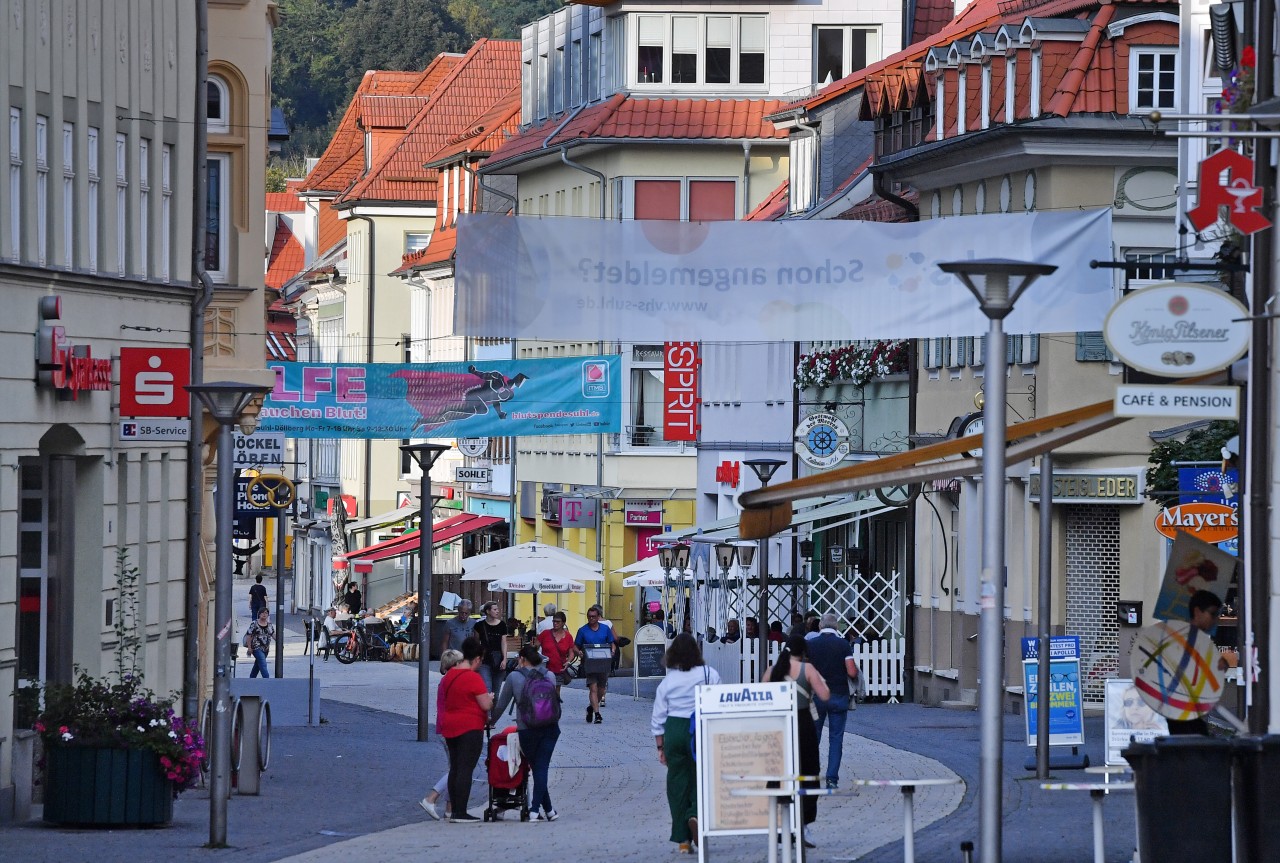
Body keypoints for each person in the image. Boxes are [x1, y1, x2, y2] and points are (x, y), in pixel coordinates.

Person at [652, 633, 721, 854]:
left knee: (677, 783)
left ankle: (682, 838)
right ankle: (696, 814)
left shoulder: (668, 681)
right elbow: (719, 703)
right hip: (699, 727)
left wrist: (660, 747)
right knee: (701, 778)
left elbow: (658, 716)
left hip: (674, 730)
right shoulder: (710, 674)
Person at [766, 635, 830, 834]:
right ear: (803, 652)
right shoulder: (807, 669)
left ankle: (780, 821)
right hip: (802, 723)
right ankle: (804, 822)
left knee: (780, 770)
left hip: (779, 724)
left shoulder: (772, 671)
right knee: (808, 770)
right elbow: (825, 695)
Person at [491, 644, 562, 821]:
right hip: (550, 727)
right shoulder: (550, 676)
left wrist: (490, 722)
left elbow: (501, 705)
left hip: (527, 729)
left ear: (522, 659)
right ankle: (550, 810)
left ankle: (534, 809)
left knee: (539, 768)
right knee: (541, 767)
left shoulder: (514, 677)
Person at [437, 637, 493, 823]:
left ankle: (454, 810)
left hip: (450, 725)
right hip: (469, 727)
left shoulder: (450, 675)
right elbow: (485, 705)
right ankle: (460, 811)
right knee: (465, 769)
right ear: (477, 658)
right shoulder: (473, 678)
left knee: (455, 768)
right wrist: (491, 698)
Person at [1167, 590, 1236, 735]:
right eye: (1212, 614)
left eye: (1217, 615)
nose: (1215, 620)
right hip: (1183, 710)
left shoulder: (1196, 638)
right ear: (1197, 612)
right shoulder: (1185, 637)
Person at [807, 612, 860, 789]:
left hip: (816, 697)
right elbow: (852, 672)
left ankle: (812, 776)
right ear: (836, 626)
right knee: (836, 739)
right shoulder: (843, 645)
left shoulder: (811, 644)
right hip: (838, 695)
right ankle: (832, 779)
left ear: (820, 626)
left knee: (813, 738)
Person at [420, 649, 465, 820]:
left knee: (453, 767)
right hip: (450, 728)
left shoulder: (446, 680)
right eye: (461, 662)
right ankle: (431, 797)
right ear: (454, 665)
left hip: (444, 727)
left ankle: (449, 807)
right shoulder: (451, 681)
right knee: (457, 769)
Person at [574, 604, 616, 723]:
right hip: (589, 663)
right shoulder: (582, 631)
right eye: (589, 617)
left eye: (593, 616)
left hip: (603, 662)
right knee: (593, 688)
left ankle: (591, 708)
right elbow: (575, 646)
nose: (591, 619)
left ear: (598, 617)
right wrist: (579, 653)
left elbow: (612, 642)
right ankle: (597, 714)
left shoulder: (605, 629)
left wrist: (613, 650)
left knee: (601, 690)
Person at [538, 611, 578, 695]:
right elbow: (535, 648)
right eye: (554, 621)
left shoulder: (568, 637)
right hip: (546, 668)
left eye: (558, 622)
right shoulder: (545, 634)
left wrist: (568, 662)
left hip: (559, 668)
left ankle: (554, 707)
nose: (555, 623)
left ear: (563, 623)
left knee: (556, 692)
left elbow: (571, 652)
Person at [473, 600, 510, 692]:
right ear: (488, 611)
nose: (497, 611)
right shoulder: (479, 625)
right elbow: (476, 643)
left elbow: (504, 642)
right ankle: (487, 706)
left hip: (499, 661)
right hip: (484, 661)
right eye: (495, 609)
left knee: (496, 692)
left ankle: (494, 707)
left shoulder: (502, 625)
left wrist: (505, 659)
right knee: (487, 689)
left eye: (497, 609)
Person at [244, 608, 274, 678]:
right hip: (256, 648)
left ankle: (252, 679)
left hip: (266, 648)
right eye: (262, 613)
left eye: (266, 613)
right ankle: (267, 680)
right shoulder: (254, 623)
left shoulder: (269, 624)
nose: (264, 614)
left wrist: (279, 643)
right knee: (263, 664)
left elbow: (273, 634)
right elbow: (249, 635)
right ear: (259, 614)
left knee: (258, 665)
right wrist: (249, 648)